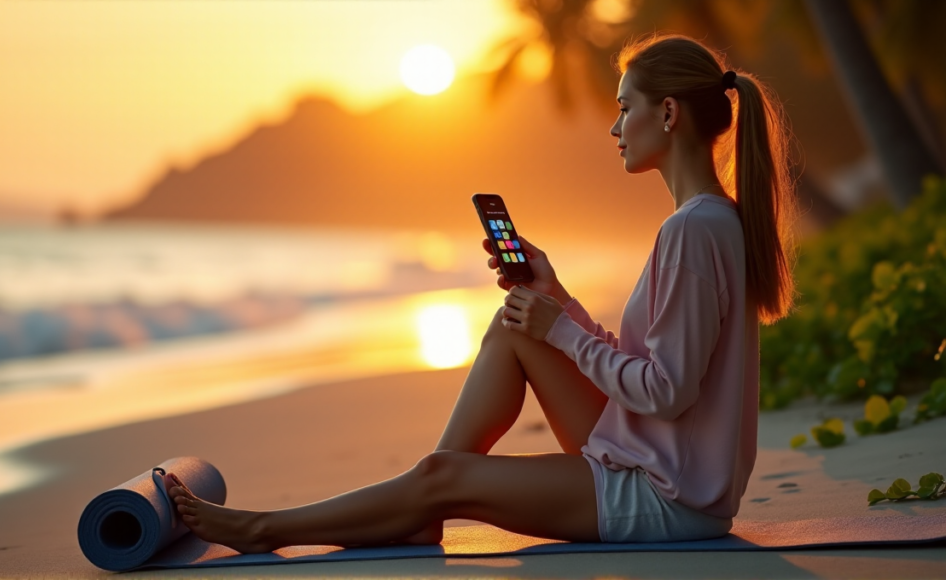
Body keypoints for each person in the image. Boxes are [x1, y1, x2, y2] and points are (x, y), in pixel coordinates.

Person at [165, 33, 799, 553]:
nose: (614, 126)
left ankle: (267, 529)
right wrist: (556, 301)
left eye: (624, 107)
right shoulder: (708, 221)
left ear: (668, 113)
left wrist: (563, 330)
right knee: (514, 323)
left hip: (665, 497)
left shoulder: (692, 230)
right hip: (664, 466)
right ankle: (423, 504)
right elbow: (654, 370)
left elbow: (667, 390)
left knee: (445, 470)